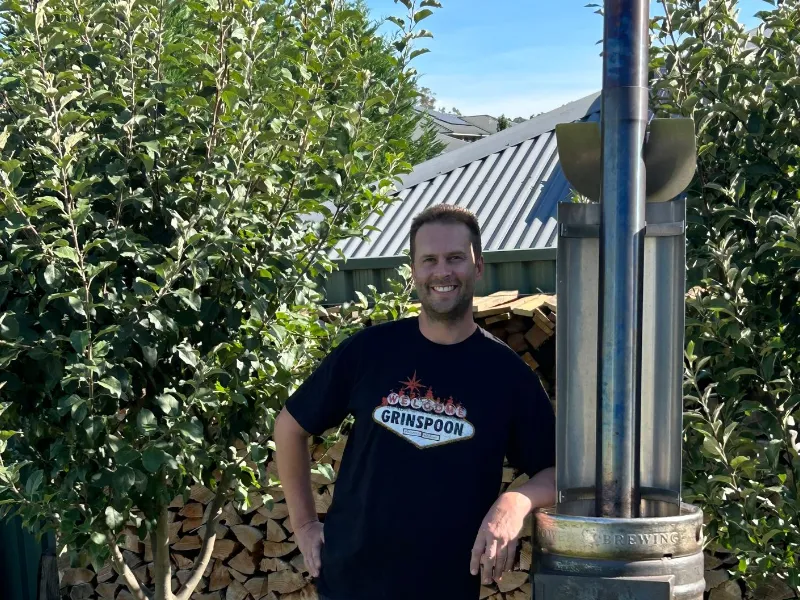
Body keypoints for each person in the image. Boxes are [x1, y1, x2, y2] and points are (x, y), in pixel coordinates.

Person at [274, 204, 556, 600]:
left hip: (445, 585)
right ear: (413, 270)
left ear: (478, 267)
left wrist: (514, 501)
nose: (442, 272)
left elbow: (558, 474)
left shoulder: (507, 374)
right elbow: (290, 426)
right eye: (429, 260)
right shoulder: (370, 351)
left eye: (455, 258)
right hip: (349, 582)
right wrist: (304, 526)